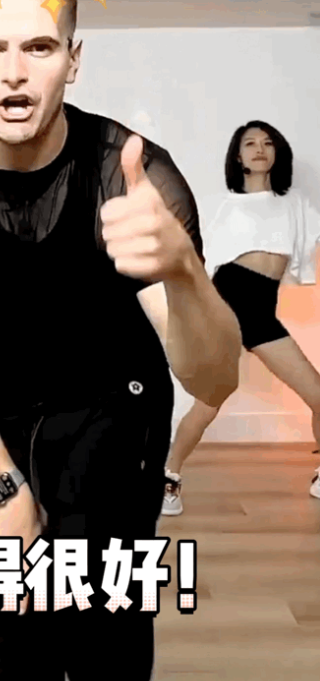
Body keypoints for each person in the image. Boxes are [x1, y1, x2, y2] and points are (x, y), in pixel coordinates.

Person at [0, 0, 242, 678]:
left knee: (109, 633)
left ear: (73, 60)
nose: (14, 72)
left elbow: (214, 378)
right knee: (17, 635)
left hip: (117, 412)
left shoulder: (129, 174)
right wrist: (4, 485)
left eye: (39, 47)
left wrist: (186, 273)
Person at [163, 120, 320, 517]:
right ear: (238, 156)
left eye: (267, 143)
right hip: (226, 303)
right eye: (250, 143)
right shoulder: (223, 205)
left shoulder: (295, 204)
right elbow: (195, 261)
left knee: (318, 395)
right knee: (209, 402)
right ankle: (168, 479)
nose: (260, 149)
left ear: (277, 152)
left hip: (262, 310)